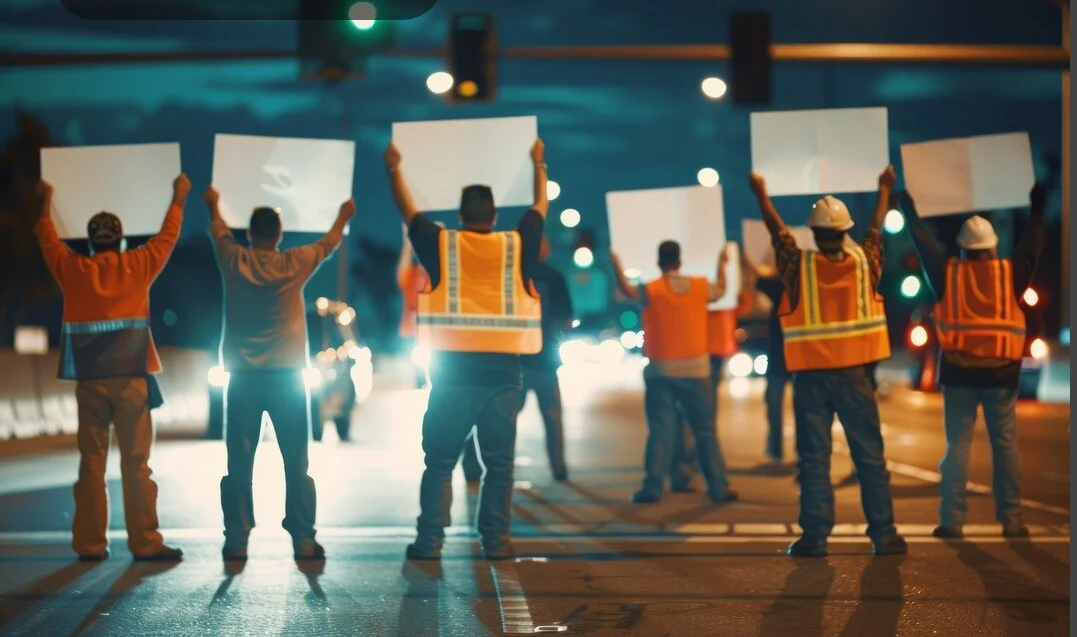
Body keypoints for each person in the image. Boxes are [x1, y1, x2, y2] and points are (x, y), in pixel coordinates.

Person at [384, 138, 548, 561]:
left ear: (460, 216)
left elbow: (408, 213)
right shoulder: (517, 245)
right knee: (499, 467)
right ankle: (497, 542)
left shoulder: (443, 246)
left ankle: (430, 542)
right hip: (503, 378)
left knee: (439, 464)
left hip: (452, 379)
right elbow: (540, 208)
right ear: (494, 216)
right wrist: (538, 163)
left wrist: (393, 170)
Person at [749, 165, 906, 558]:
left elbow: (777, 233)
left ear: (815, 234)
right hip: (856, 377)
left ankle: (815, 537)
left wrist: (761, 194)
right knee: (869, 457)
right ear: (844, 231)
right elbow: (877, 231)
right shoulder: (866, 264)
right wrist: (883, 189)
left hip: (811, 380)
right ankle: (884, 535)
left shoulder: (799, 267)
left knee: (813, 460)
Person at [34, 176, 189, 562]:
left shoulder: (73, 270)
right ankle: (145, 542)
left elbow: (46, 238)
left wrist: (46, 202)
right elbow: (168, 236)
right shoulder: (138, 265)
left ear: (89, 242)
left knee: (91, 463)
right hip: (132, 383)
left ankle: (90, 544)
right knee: (136, 464)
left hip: (89, 382)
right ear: (120, 241)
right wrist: (178, 197)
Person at [204, 186, 356, 561]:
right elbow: (328, 244)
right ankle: (303, 537)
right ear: (279, 235)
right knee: (296, 463)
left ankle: (237, 539)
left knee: (238, 464)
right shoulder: (294, 264)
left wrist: (213, 203)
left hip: (242, 379)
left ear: (251, 233)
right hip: (288, 378)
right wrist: (343, 215)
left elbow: (219, 230)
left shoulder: (233, 260)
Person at [903, 184, 1045, 539]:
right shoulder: (1009, 275)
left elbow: (924, 244)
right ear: (993, 248)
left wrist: (909, 211)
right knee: (1006, 448)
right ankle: (1012, 521)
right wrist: (1038, 208)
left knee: (957, 448)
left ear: (964, 250)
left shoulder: (948, 274)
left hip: (959, 376)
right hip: (1001, 377)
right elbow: (1032, 244)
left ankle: (952, 521)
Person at [610, 242, 738, 505]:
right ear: (680, 262)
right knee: (705, 431)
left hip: (660, 370)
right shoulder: (701, 287)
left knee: (660, 430)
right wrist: (721, 264)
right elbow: (721, 290)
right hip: (697, 371)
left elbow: (627, 290)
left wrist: (616, 265)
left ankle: (652, 488)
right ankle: (718, 488)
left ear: (659, 262)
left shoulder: (651, 288)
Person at [669, 245, 755, 491]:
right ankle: (694, 471)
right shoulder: (701, 289)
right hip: (702, 354)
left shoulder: (711, 289)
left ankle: (689, 469)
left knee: (695, 417)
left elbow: (744, 304)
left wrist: (746, 276)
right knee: (700, 418)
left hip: (710, 354)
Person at [517, 236, 574, 481]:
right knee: (552, 419)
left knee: (505, 421)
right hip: (546, 363)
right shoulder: (554, 277)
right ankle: (558, 468)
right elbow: (567, 320)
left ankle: (499, 467)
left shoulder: (512, 276)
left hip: (515, 361)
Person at [743, 250, 791, 464]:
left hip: (781, 359)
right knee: (804, 410)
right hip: (802, 359)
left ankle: (775, 450)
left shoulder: (780, 287)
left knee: (774, 405)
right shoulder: (800, 284)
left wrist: (747, 257)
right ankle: (801, 451)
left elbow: (756, 277)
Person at [397, 227, 431, 389]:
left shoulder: (434, 276)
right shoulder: (410, 274)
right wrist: (408, 242)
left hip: (430, 329)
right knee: (415, 357)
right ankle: (418, 378)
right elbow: (402, 267)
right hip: (411, 329)